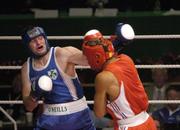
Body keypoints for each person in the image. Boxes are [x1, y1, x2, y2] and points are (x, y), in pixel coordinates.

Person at [82, 23, 157, 130]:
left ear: (96, 57)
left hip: (129, 127)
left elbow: (99, 113)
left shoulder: (103, 78)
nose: (88, 62)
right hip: (148, 122)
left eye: (88, 58)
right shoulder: (126, 59)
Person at [20, 26, 96, 130]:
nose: (38, 42)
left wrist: (99, 48)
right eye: (33, 41)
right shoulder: (27, 68)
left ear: (45, 39)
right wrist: (34, 94)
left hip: (78, 116)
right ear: (27, 46)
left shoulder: (62, 53)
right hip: (49, 120)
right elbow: (29, 107)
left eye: (40, 38)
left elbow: (91, 61)